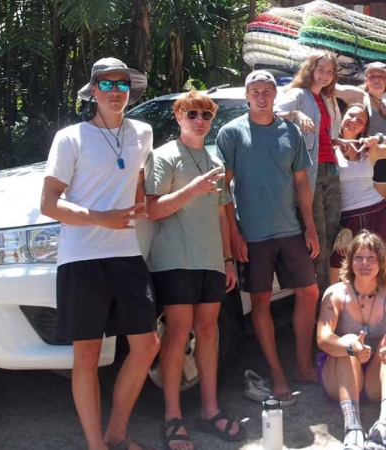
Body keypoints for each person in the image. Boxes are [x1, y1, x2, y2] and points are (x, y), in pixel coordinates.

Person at [40, 57, 160, 450]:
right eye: (105, 85)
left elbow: (138, 180)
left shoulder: (142, 133)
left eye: (121, 85)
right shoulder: (70, 138)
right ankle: (97, 445)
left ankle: (116, 434)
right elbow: (49, 204)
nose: (114, 92)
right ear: (93, 92)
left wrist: (143, 201)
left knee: (147, 346)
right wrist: (98, 217)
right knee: (87, 356)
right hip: (81, 258)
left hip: (126, 255)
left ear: (130, 90)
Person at [144, 89, 244, 449]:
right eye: (192, 114)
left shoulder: (214, 160)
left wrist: (228, 259)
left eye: (205, 114)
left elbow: (221, 214)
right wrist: (192, 189)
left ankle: (209, 410)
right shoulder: (163, 156)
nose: (199, 119)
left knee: (209, 332)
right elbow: (152, 210)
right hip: (175, 259)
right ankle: (172, 418)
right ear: (179, 117)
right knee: (177, 332)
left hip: (211, 261)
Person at [217, 69, 320, 403]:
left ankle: (303, 366)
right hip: (254, 234)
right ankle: (277, 373)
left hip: (290, 229)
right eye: (255, 91)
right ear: (247, 96)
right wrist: (234, 236)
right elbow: (223, 190)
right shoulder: (231, 133)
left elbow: (301, 182)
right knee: (259, 301)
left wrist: (311, 227)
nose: (261, 95)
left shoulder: (289, 131)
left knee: (309, 292)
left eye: (267, 90)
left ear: (275, 95)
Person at [316, 231, 386, 450]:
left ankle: (384, 427)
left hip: (375, 380)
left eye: (371, 257)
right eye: (359, 257)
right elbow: (323, 339)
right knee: (348, 341)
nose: (365, 263)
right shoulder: (335, 293)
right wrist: (351, 348)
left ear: (382, 263)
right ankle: (352, 427)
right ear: (350, 261)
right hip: (339, 378)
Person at [275, 50, 343, 296]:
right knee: (317, 239)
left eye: (330, 71)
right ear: (311, 69)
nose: (325, 75)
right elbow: (270, 115)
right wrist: (295, 114)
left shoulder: (326, 99)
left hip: (331, 170)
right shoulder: (297, 95)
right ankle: (320, 303)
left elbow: (326, 136)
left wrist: (340, 143)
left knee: (332, 236)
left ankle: (330, 297)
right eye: (321, 69)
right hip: (309, 174)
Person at [330, 103, 386, 283]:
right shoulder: (329, 147)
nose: (354, 121)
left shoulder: (369, 150)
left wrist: (378, 138)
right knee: (340, 270)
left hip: (377, 212)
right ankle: (338, 309)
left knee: (380, 268)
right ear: (341, 117)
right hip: (346, 218)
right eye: (351, 116)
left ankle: (379, 308)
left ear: (364, 127)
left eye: (360, 120)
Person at [335, 62, 386, 212]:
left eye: (381, 76)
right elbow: (333, 88)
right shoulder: (360, 96)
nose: (376, 80)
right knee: (375, 209)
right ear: (366, 80)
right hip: (373, 160)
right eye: (372, 76)